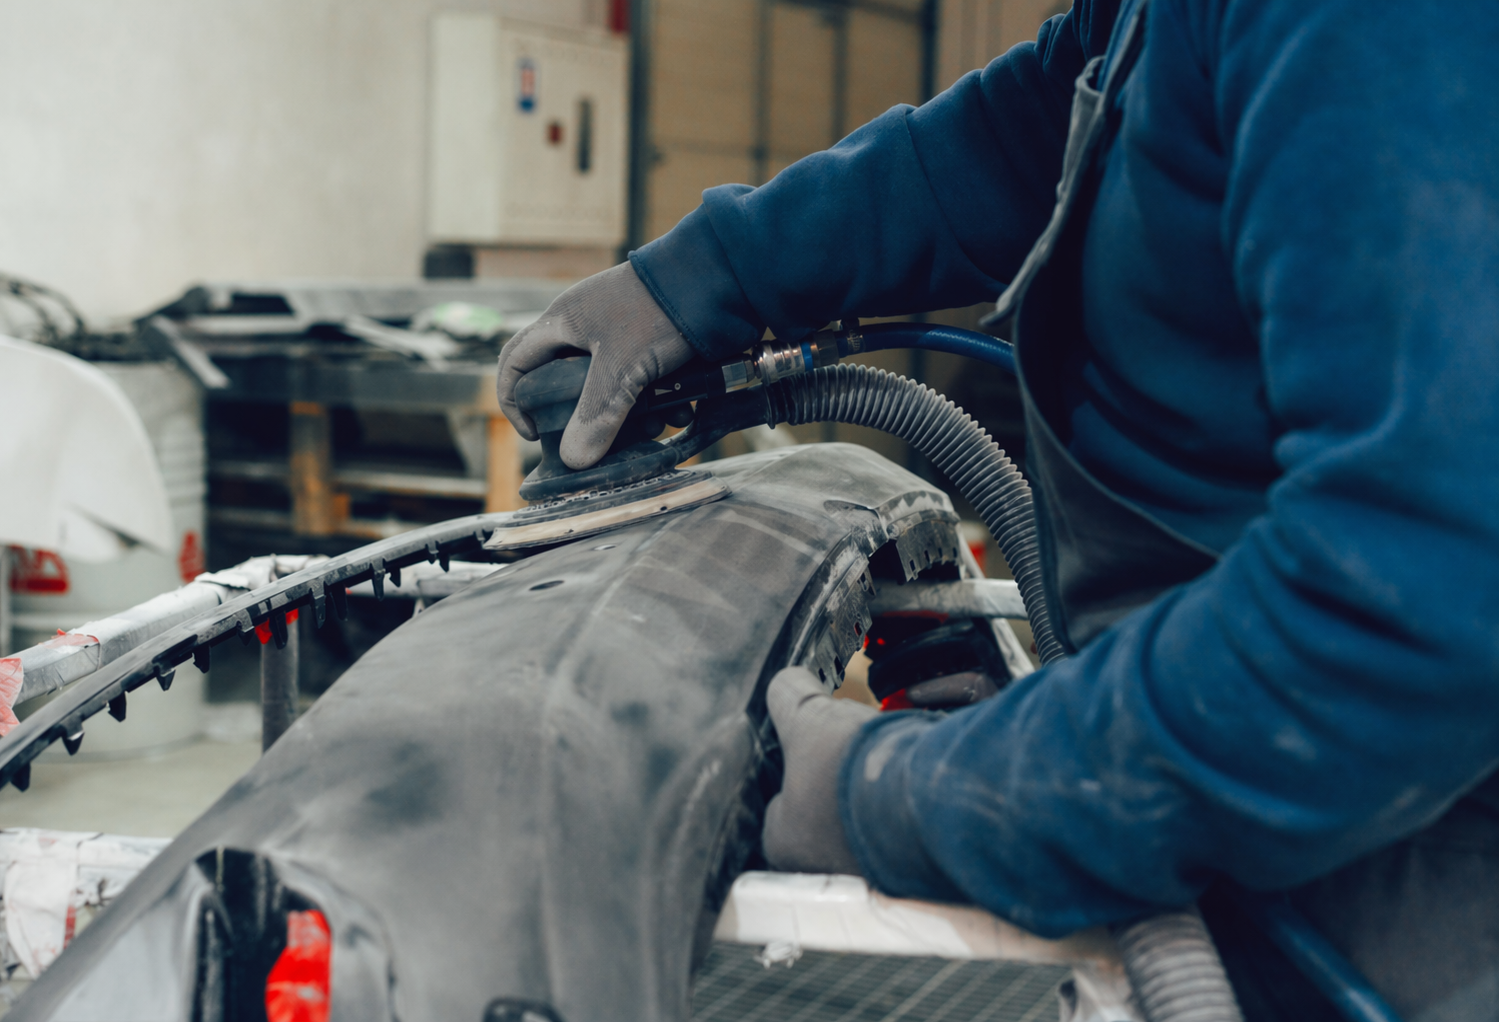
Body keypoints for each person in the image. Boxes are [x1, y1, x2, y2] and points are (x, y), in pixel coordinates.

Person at [497, 0, 1499, 1016]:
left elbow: (1411, 611)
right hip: (1227, 800)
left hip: (1397, 872)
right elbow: (1041, 122)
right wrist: (710, 274)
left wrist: (911, 802)